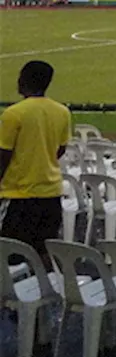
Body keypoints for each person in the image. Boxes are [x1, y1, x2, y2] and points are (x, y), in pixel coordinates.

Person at [0, 60, 72, 261]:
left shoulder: (14, 114)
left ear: (22, 80)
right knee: (42, 252)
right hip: (51, 191)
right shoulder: (62, 111)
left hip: (19, 193)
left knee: (12, 255)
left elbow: (4, 154)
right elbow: (61, 148)